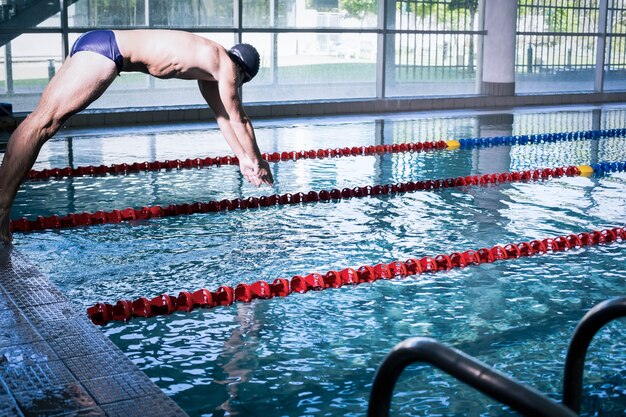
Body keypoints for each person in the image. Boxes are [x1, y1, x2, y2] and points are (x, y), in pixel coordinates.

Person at [0, 29, 274, 244]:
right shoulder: (226, 65)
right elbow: (240, 118)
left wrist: (243, 158)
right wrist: (259, 161)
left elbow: (224, 118)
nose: (237, 87)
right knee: (44, 124)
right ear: (242, 71)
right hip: (109, 53)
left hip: (99, 42)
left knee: (39, 121)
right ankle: (1, 207)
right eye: (241, 82)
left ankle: (2, 208)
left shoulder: (211, 64)